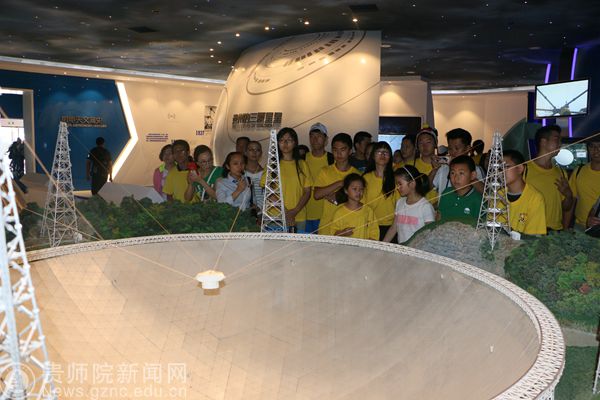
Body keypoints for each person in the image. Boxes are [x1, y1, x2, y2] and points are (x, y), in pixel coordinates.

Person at [261, 128, 312, 233]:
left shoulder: (302, 164)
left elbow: (307, 192)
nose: (285, 143)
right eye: (281, 140)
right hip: (275, 217)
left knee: (297, 244)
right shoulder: (271, 165)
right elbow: (268, 191)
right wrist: (285, 212)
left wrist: (294, 211)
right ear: (277, 143)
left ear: (295, 143)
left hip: (299, 216)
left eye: (289, 140)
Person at [524, 125, 573, 231]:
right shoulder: (524, 170)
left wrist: (568, 195)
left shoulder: (561, 173)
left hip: (555, 232)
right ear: (543, 142)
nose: (560, 144)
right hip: (531, 230)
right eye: (556, 139)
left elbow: (565, 207)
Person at [314, 133, 361, 235]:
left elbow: (360, 200)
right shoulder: (325, 171)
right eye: (335, 150)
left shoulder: (357, 174)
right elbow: (317, 195)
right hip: (327, 226)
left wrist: (338, 197)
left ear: (350, 151)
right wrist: (340, 183)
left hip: (349, 226)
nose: (339, 153)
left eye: (343, 149)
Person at [383, 166, 435, 244]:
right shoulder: (400, 202)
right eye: (396, 184)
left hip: (417, 249)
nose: (397, 187)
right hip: (402, 248)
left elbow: (430, 233)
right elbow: (394, 227)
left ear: (412, 184)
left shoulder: (425, 207)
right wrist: (382, 244)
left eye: (400, 184)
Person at [503, 150, 547, 235]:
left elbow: (533, 237)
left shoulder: (535, 198)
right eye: (498, 168)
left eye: (506, 167)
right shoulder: (497, 195)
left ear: (519, 169)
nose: (500, 172)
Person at [430, 128, 484, 194]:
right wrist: (435, 169)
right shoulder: (443, 168)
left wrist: (470, 177)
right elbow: (428, 188)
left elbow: (485, 192)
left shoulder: (476, 169)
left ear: (468, 148)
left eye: (457, 148)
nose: (453, 152)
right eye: (450, 149)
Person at [363, 142, 399, 240]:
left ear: (390, 157)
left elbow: (400, 204)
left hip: (392, 226)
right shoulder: (366, 178)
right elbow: (362, 205)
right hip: (370, 226)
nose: (382, 154)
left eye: (386, 152)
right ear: (373, 156)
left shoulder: (396, 178)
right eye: (379, 152)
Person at [305, 122, 334, 233]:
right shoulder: (302, 159)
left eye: (319, 136)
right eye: (312, 136)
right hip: (304, 215)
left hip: (326, 216)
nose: (315, 139)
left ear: (326, 139)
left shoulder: (332, 159)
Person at [331, 173, 379, 240]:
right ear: (346, 190)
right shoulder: (339, 213)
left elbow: (374, 232)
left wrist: (370, 241)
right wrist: (343, 233)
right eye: (354, 189)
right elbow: (333, 234)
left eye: (361, 189)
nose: (358, 192)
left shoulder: (368, 210)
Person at [437, 155, 482, 222]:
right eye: (452, 173)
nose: (456, 178)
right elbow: (439, 220)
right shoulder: (446, 193)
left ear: (473, 175)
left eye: (461, 173)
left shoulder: (478, 200)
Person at [568, 135, 600, 229]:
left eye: (599, 146)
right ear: (588, 149)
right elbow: (572, 201)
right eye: (592, 146)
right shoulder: (579, 171)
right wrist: (566, 228)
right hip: (580, 226)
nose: (596, 150)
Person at [244, 141, 265, 213]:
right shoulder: (240, 172)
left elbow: (267, 194)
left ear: (261, 153)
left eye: (257, 150)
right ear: (245, 152)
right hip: (242, 211)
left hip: (262, 213)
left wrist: (259, 208)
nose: (254, 152)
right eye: (251, 150)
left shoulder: (265, 173)